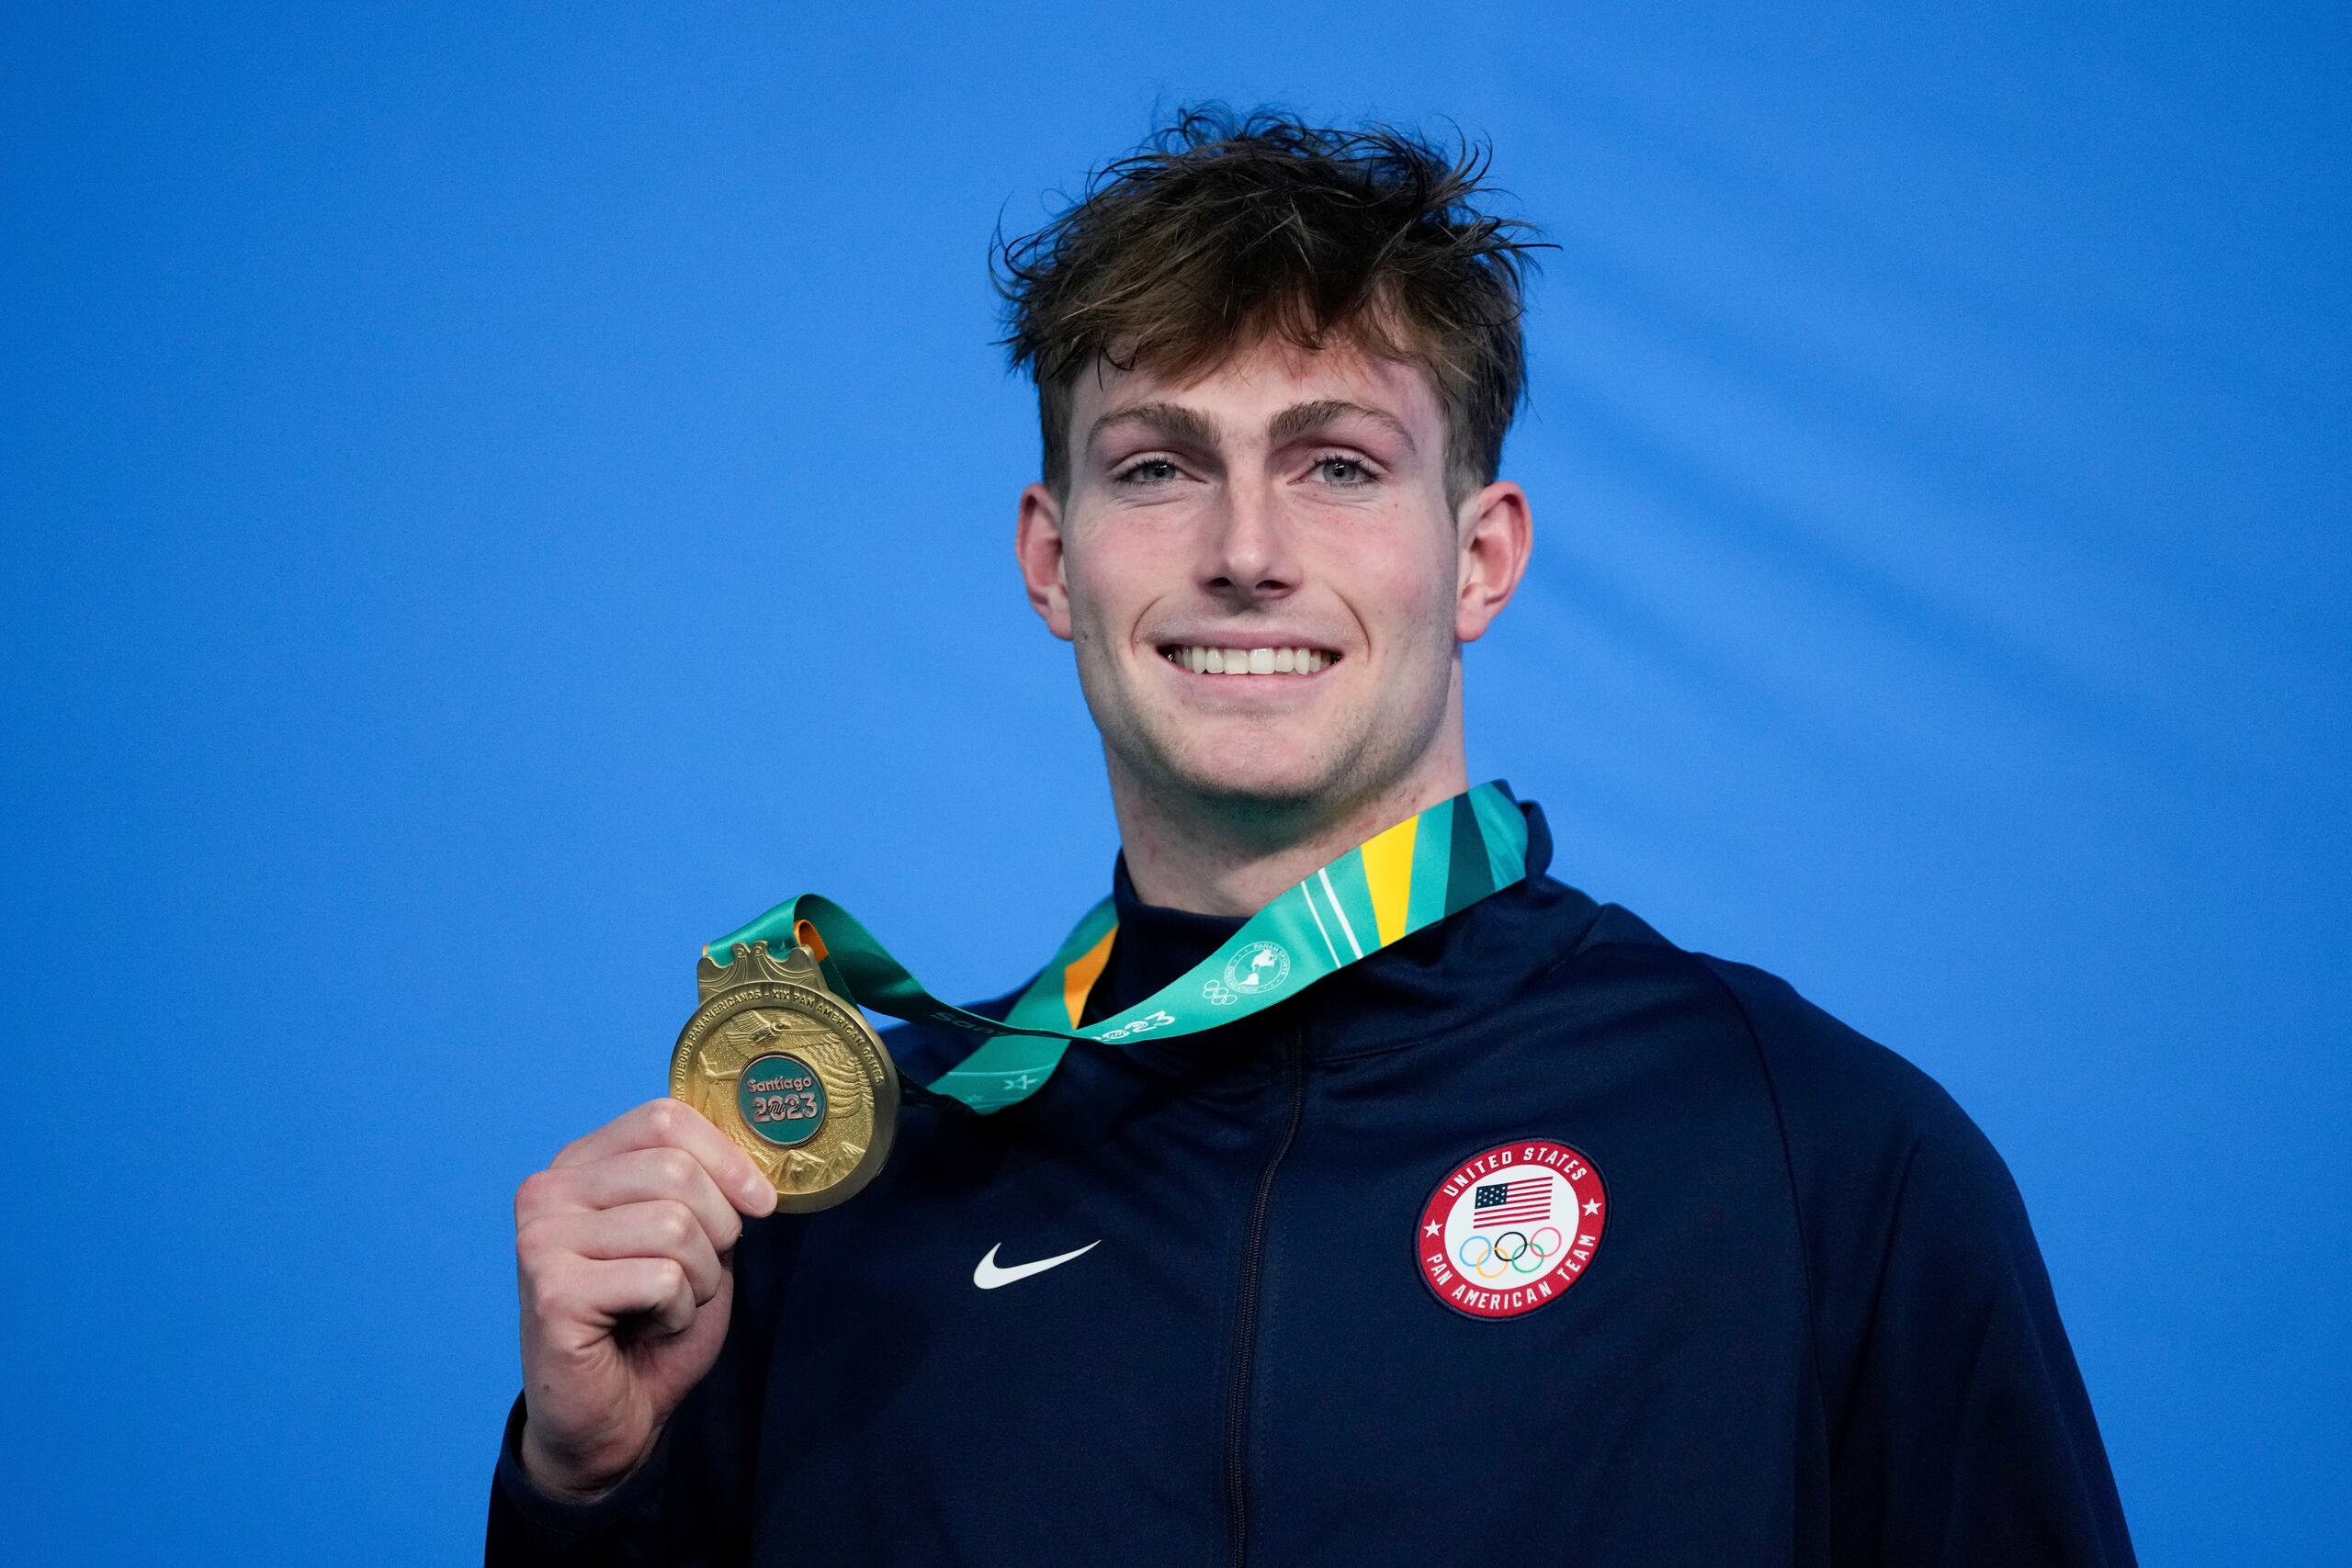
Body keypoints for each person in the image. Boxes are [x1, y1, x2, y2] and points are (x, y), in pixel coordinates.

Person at [486, 108, 2136, 1565]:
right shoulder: (838, 1207)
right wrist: (590, 1491)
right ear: (1054, 562)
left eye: (1338, 464)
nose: (1246, 551)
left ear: (1481, 558)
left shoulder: (1817, 1155)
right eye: (1158, 467)